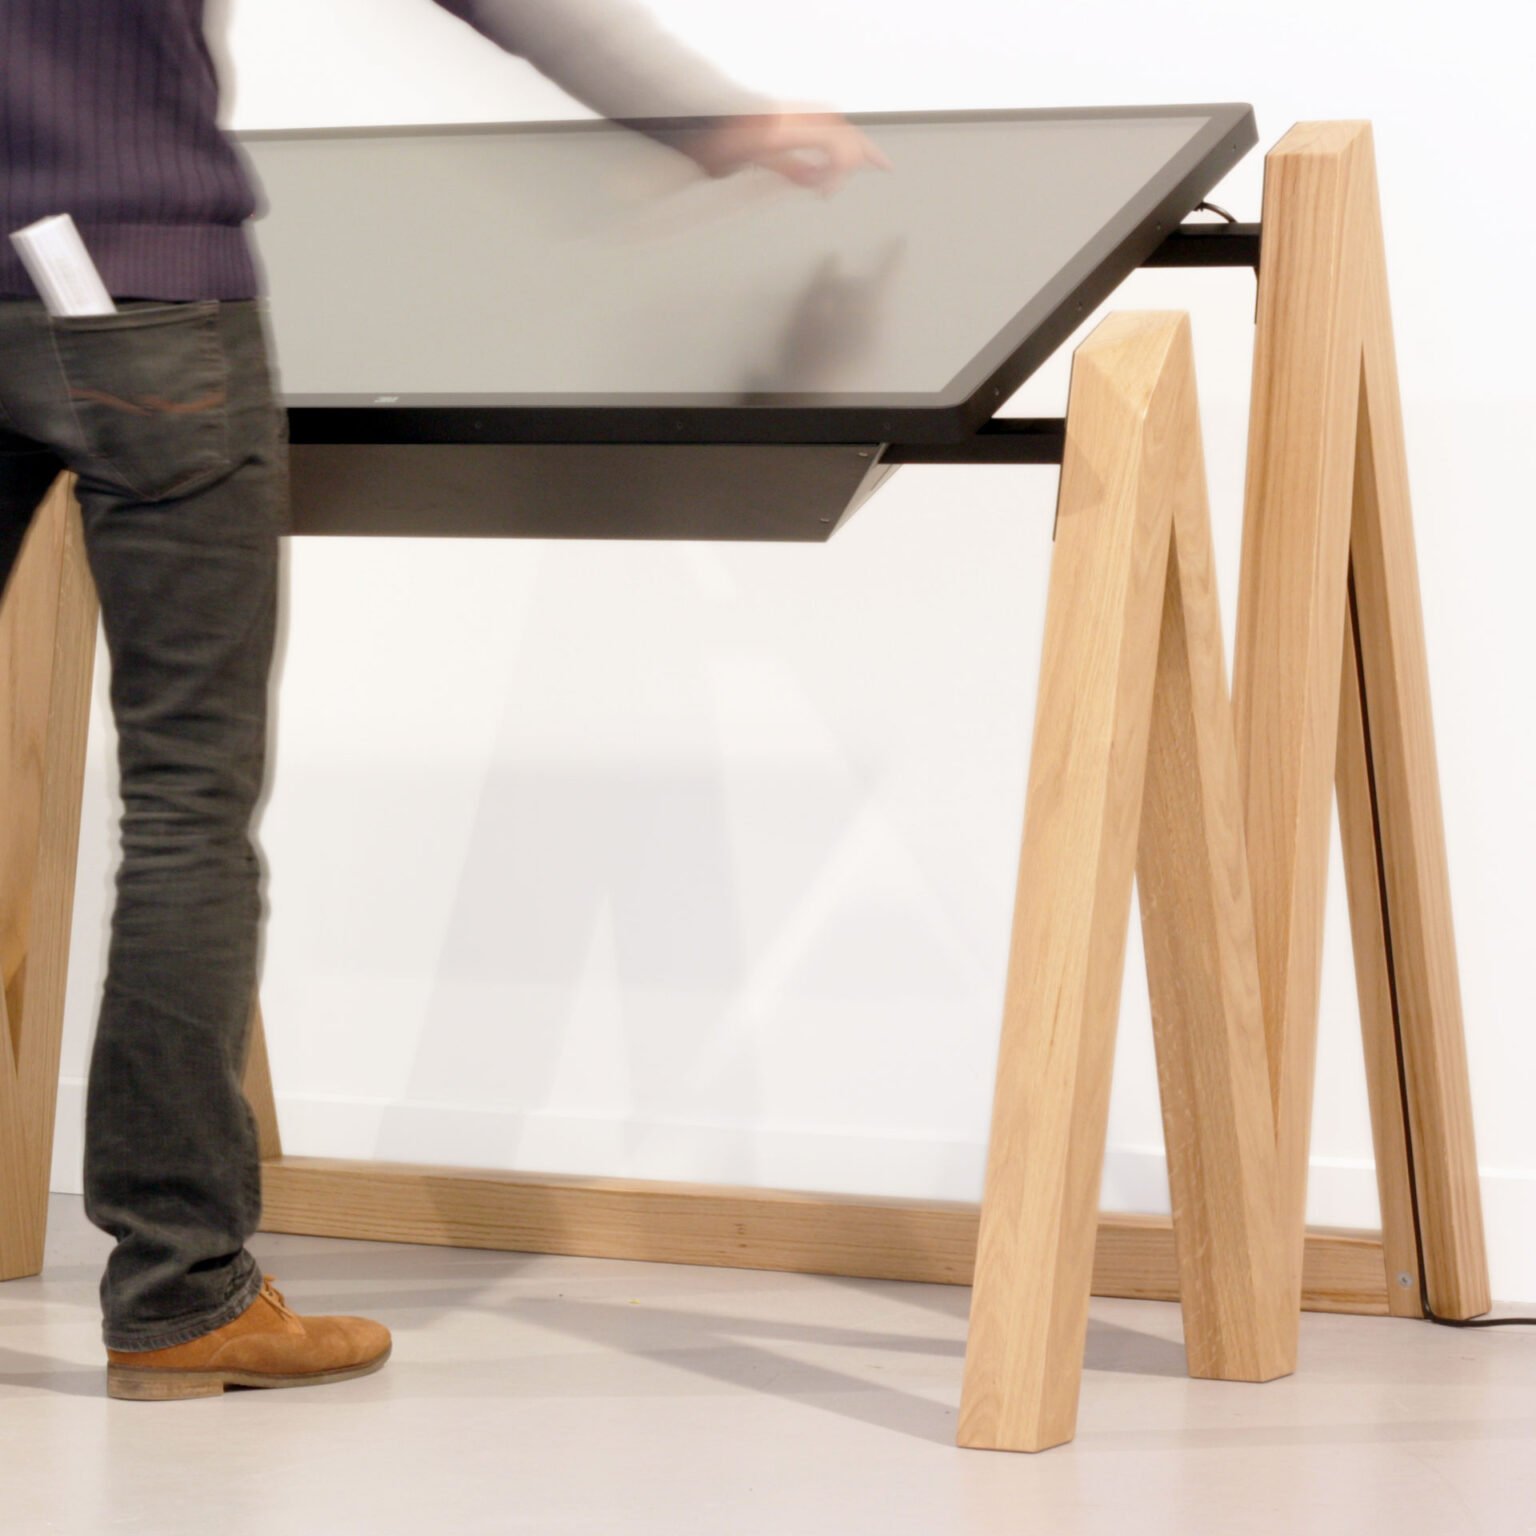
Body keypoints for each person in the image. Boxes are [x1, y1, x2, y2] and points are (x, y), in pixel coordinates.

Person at [0, 0, 885, 1401]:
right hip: (137, 282)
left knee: (178, 810)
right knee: (187, 803)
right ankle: (180, 1296)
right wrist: (712, 118)